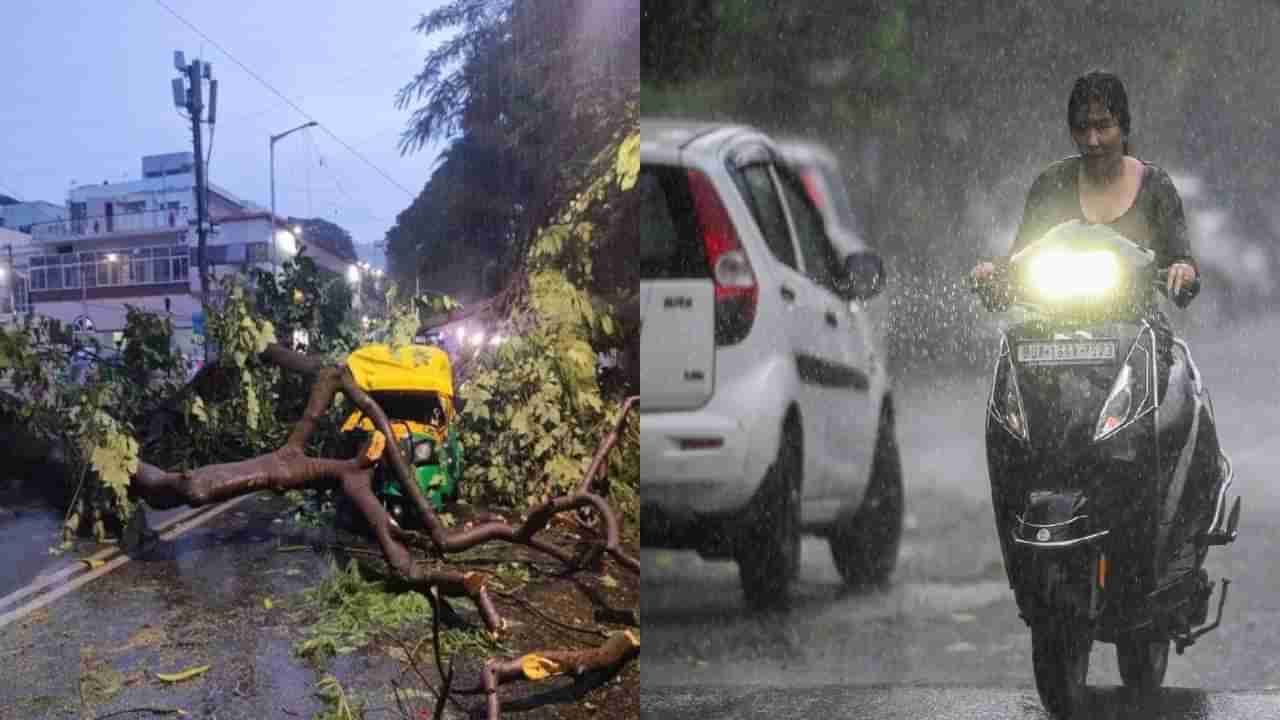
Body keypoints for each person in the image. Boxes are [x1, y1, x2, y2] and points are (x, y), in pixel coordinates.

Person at [972, 70, 1197, 298]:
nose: (1092, 140)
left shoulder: (1154, 186)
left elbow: (1181, 264)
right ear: (1072, 131)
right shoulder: (1051, 185)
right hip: (1051, 328)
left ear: (1124, 128)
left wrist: (1183, 271)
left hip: (1138, 328)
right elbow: (1017, 268)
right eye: (1082, 128)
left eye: (1103, 127)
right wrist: (993, 277)